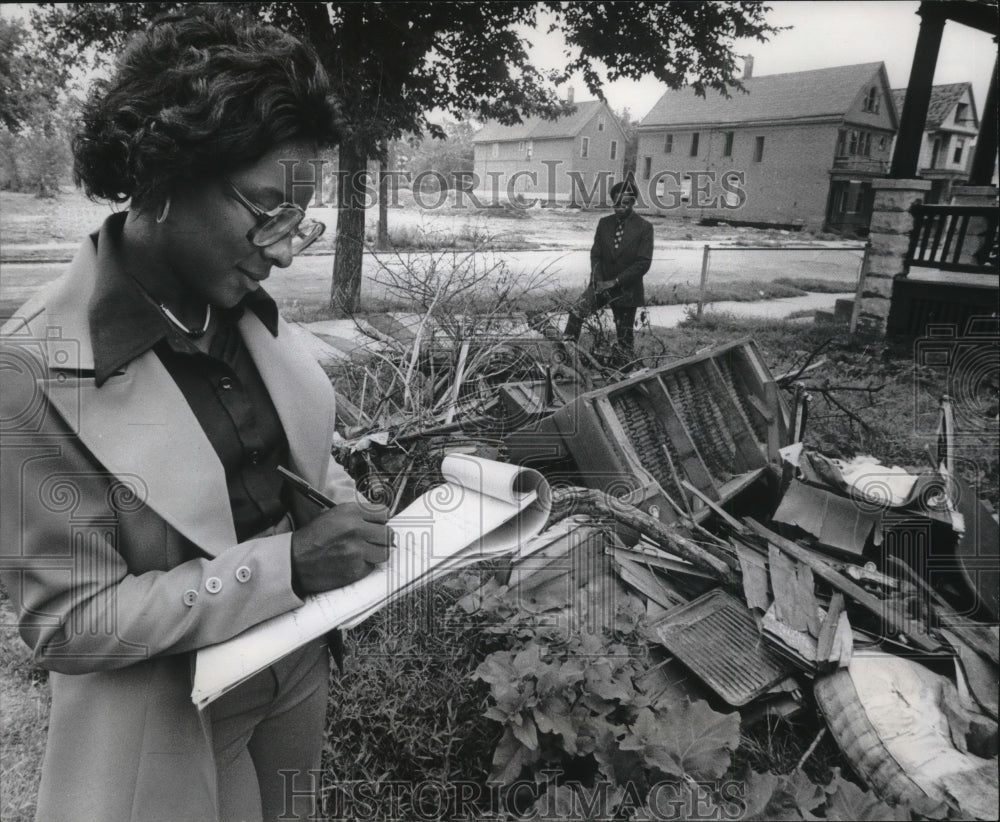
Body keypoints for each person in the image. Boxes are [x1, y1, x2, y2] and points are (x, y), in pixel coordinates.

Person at [0, 9, 391, 822]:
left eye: (300, 221)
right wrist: (286, 567)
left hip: (294, 673)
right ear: (166, 174)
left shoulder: (241, 309)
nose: (285, 250)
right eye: (264, 210)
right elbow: (68, 622)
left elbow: (290, 457)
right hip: (168, 712)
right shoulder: (35, 371)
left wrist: (340, 503)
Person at [563, 179, 654, 362]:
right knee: (576, 313)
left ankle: (623, 373)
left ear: (633, 203)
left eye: (625, 203)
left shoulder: (645, 227)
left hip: (626, 290)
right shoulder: (604, 223)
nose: (620, 208)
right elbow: (595, 255)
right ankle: (566, 358)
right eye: (616, 203)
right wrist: (598, 281)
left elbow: (643, 263)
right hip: (600, 285)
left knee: (624, 338)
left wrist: (616, 282)